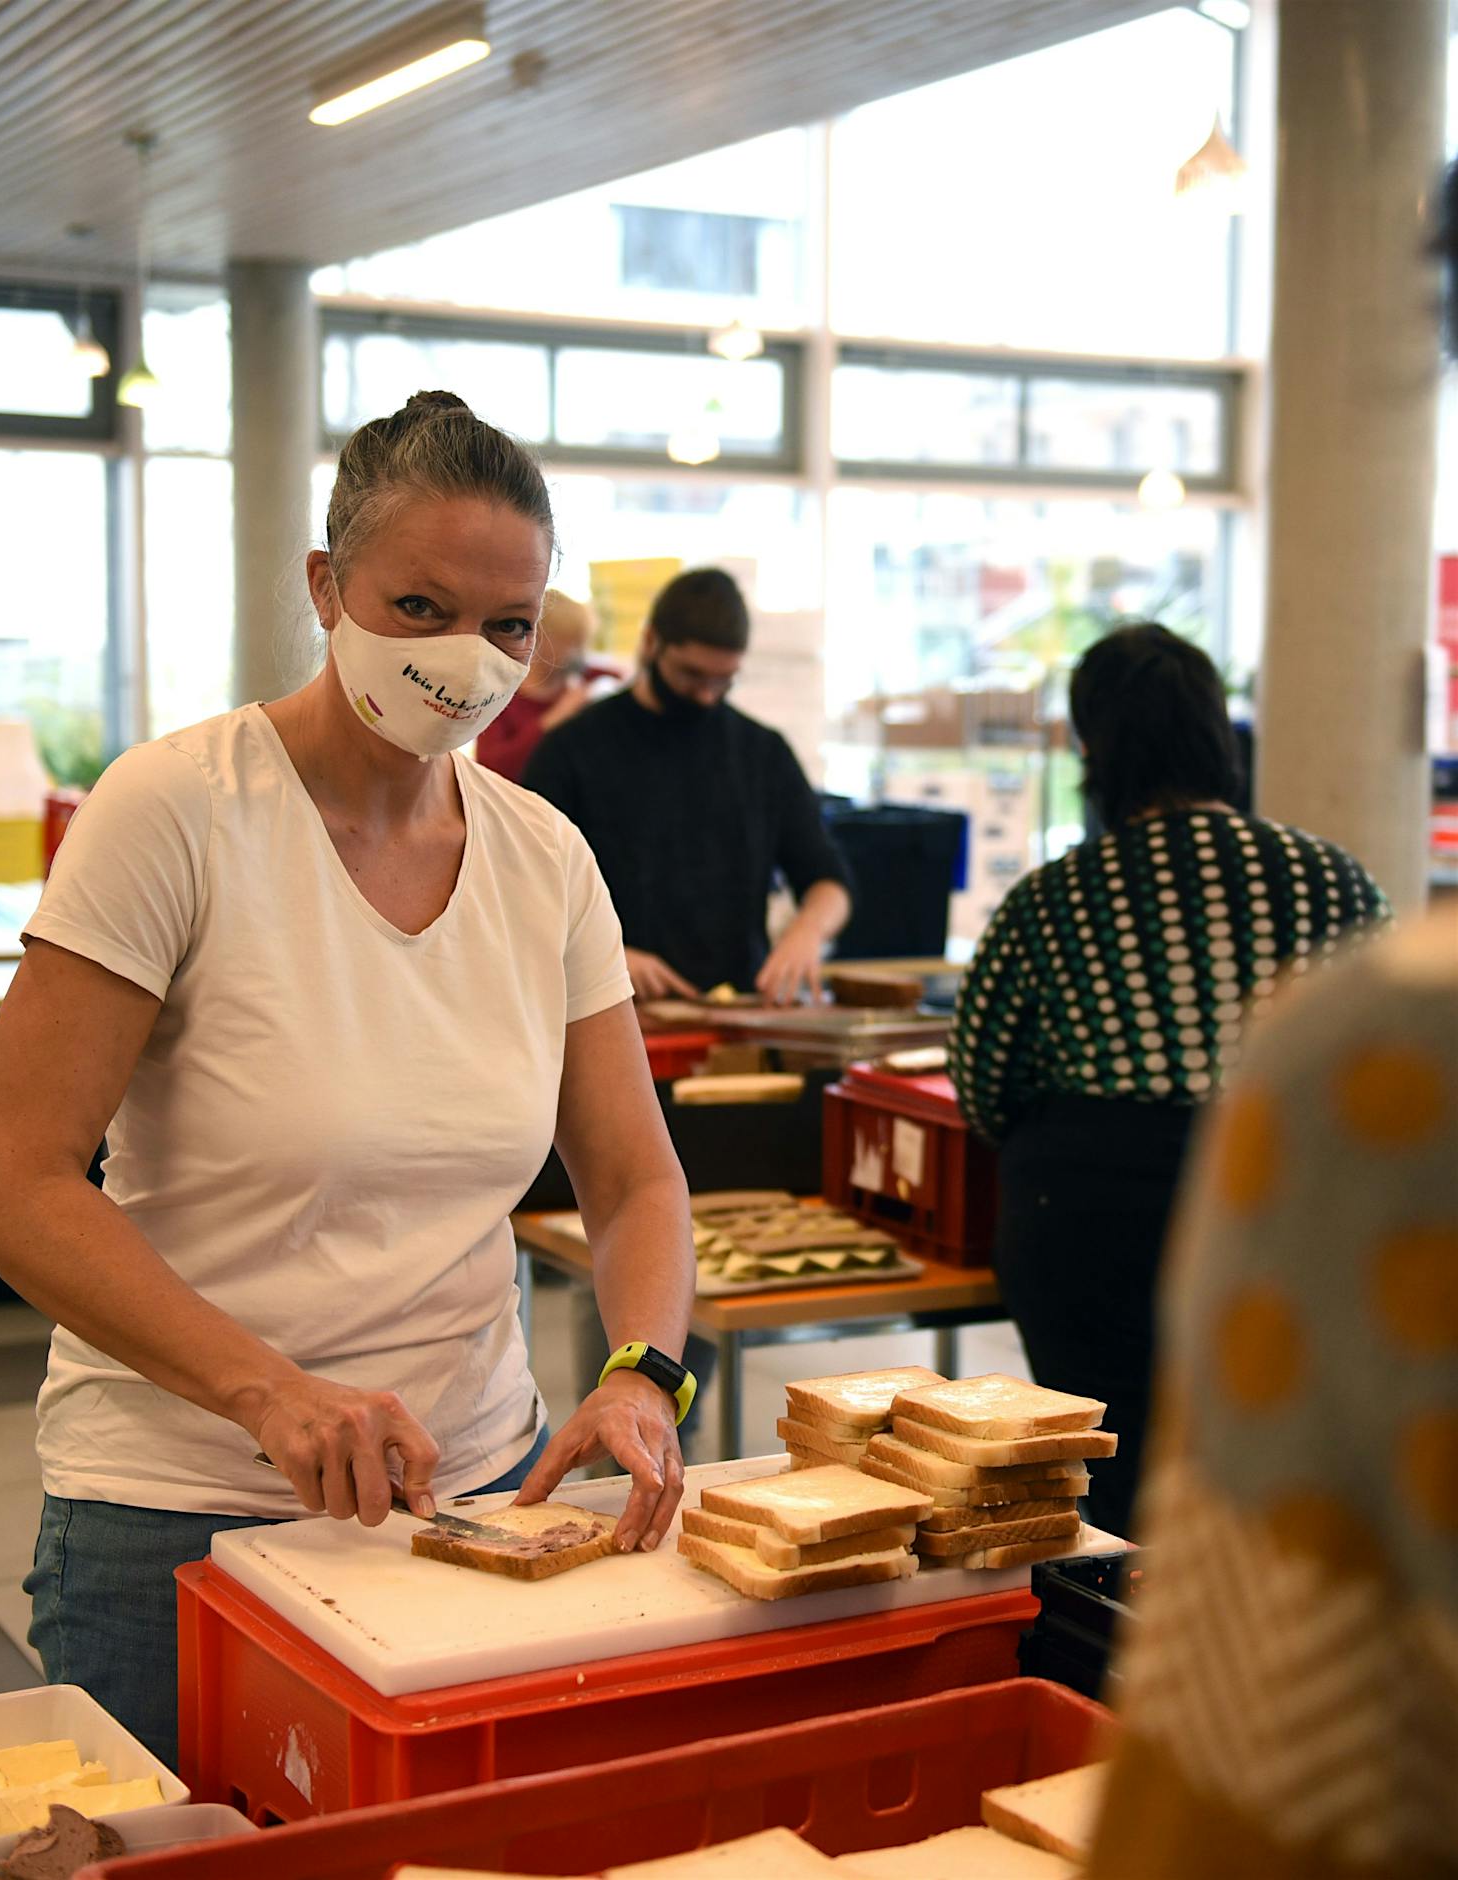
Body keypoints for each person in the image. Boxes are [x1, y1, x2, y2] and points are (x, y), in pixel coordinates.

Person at [0, 390, 697, 1773]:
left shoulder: (545, 861)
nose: (461, 657)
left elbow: (634, 1172)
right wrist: (268, 1393)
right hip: (181, 1512)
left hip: (478, 1498)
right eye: (418, 607)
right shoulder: (176, 813)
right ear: (324, 585)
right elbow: (10, 1184)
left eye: (506, 625)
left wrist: (642, 1371)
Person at [949, 623, 1389, 1539]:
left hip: (1092, 1221)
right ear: (1217, 735)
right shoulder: (1331, 881)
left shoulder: (1057, 898)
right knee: (1273, 1467)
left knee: (1112, 1477)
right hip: (1287, 1203)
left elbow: (984, 1084)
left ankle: (1112, 1660)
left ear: (1093, 749)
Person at [1085, 903, 1457, 1878]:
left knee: (1120, 1481)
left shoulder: (1378, 1050)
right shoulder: (1325, 883)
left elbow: (1244, 1759)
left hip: (1087, 1201)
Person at [522, 567, 853, 1006]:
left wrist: (807, 933)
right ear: (650, 642)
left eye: (724, 681)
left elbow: (828, 881)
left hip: (738, 1008)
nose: (706, 696)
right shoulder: (571, 750)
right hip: (611, 1011)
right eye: (692, 675)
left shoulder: (763, 754)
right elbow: (527, 893)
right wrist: (606, 955)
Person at [473, 588, 613, 782]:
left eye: (581, 643)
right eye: (571, 643)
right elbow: (492, 766)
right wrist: (555, 717)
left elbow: (625, 681)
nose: (579, 652)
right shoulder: (500, 695)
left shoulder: (582, 676)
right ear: (538, 640)